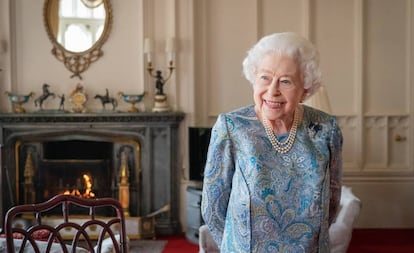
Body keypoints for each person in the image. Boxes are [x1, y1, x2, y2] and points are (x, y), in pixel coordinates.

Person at [201, 32, 343, 252]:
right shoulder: (232, 127)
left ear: (305, 88)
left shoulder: (325, 128)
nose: (272, 90)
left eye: (285, 81)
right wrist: (237, 245)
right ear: (254, 78)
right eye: (265, 77)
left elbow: (332, 200)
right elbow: (213, 206)